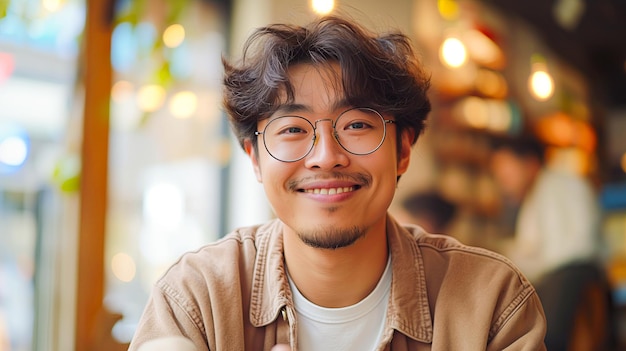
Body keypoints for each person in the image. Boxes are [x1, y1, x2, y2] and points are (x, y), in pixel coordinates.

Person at [128, 15, 546, 351]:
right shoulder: (198, 299)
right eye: (292, 129)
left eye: (358, 124)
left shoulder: (491, 305)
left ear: (403, 150)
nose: (326, 156)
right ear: (255, 159)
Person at [489, 135, 613, 350]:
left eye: (506, 170)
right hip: (563, 274)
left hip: (574, 273)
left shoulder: (559, 186)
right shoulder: (536, 196)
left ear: (530, 164)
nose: (502, 179)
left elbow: (568, 250)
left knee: (546, 336)